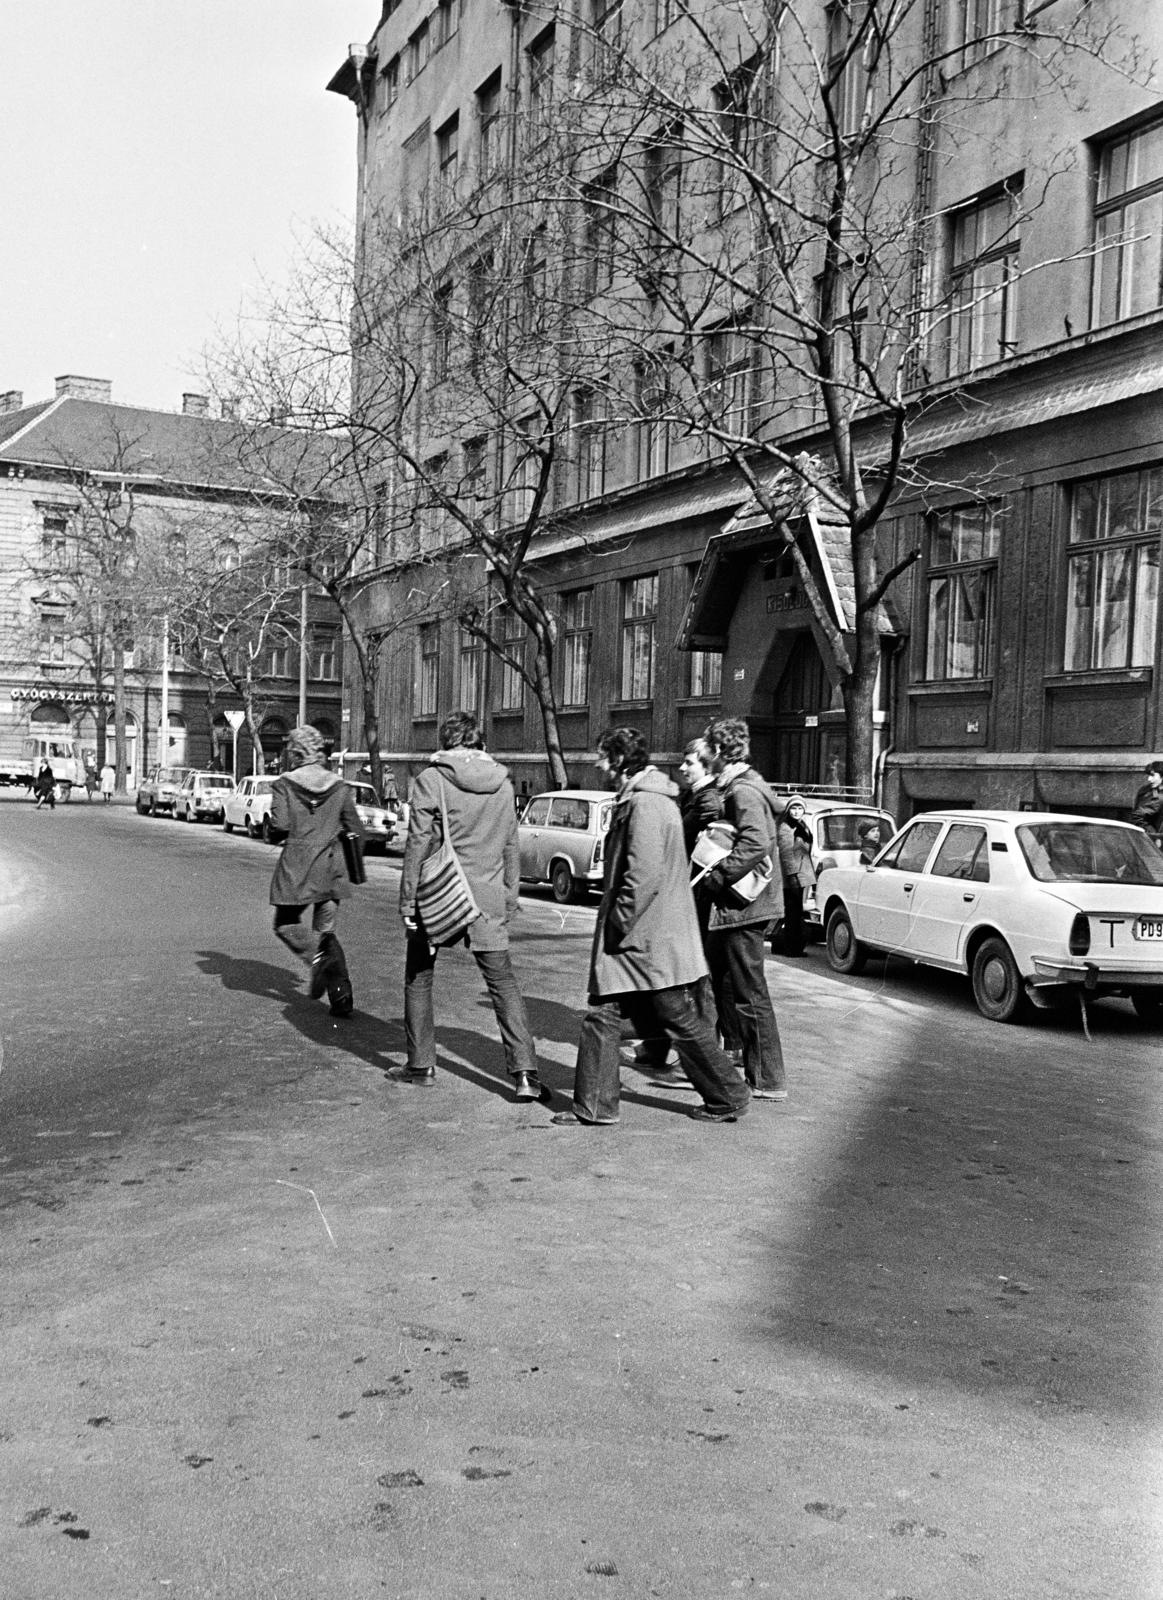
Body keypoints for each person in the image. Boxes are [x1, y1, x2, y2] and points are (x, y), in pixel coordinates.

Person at [555, 727, 750, 1127]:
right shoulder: (650, 800)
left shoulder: (644, 805)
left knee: (614, 1013)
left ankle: (725, 1094)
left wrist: (616, 928)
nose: (597, 764)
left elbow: (640, 878)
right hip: (655, 935)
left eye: (602, 757)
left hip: (642, 936)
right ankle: (726, 1093)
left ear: (619, 761)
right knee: (654, 1014)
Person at [397, 710, 543, 1101]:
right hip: (488, 897)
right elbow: (511, 843)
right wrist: (511, 895)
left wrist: (409, 900)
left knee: (420, 975)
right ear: (479, 742)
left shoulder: (431, 780)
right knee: (503, 984)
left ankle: (421, 1064)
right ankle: (525, 1074)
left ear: (446, 742)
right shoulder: (503, 783)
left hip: (441, 894)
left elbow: (417, 843)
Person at [702, 717, 791, 1102]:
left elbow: (755, 842)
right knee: (738, 988)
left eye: (709, 748)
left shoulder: (743, 791)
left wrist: (721, 873)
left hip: (745, 908)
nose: (706, 754)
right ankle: (752, 1068)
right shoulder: (747, 785)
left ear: (722, 751)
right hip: (748, 907)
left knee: (751, 994)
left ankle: (768, 1079)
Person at [269, 724, 363, 1017]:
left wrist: (271, 826)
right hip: (332, 868)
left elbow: (280, 826)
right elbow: (356, 827)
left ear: (295, 753)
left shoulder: (285, 783)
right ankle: (341, 997)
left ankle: (318, 959)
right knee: (326, 932)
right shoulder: (339, 785)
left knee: (285, 924)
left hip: (297, 868)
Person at [775, 794, 816, 957]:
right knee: (792, 913)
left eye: (800, 808)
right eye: (794, 808)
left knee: (796, 912)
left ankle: (793, 946)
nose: (797, 812)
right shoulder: (786, 827)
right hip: (792, 877)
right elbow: (786, 854)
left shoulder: (801, 825)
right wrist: (792, 876)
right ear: (788, 809)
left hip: (801, 874)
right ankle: (791, 948)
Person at [1130, 760, 1163, 840]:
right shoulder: (1149, 792)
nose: (1149, 779)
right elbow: (1137, 815)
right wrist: (1154, 835)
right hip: (1153, 840)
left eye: (1152, 775)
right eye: (1149, 775)